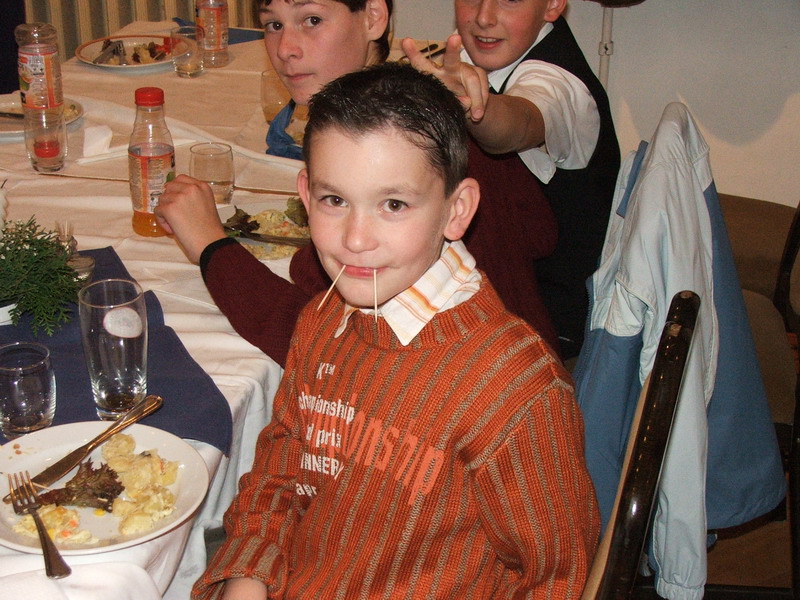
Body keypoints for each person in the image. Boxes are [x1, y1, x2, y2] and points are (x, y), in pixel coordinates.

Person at [192, 62, 599, 600]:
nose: (356, 239)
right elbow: (282, 467)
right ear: (305, 195)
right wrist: (249, 573)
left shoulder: (515, 391)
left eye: (394, 204)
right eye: (335, 200)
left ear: (456, 210)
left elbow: (556, 578)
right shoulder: (324, 317)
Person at [156, 0, 560, 368]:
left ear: (373, 17)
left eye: (312, 20)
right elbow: (542, 231)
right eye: (273, 25)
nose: (286, 49)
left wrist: (212, 247)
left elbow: (327, 346)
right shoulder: (389, 112)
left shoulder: (419, 143)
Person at [402, 0, 621, 358]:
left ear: (553, 4)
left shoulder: (561, 84)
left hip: (542, 342)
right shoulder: (473, 58)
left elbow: (517, 123)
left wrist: (474, 107)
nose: (484, 17)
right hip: (484, 314)